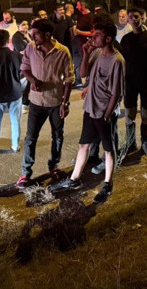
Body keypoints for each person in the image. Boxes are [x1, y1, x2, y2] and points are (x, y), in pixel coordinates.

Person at [50, 19, 123, 205]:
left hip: (103, 111)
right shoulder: (97, 52)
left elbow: (116, 92)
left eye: (97, 35)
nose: (93, 37)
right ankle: (74, 179)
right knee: (84, 144)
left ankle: (107, 183)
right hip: (90, 108)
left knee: (108, 149)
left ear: (107, 38)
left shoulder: (117, 60)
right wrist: (85, 53)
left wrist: (107, 115)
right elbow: (83, 73)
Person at [16, 19, 75, 189]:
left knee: (57, 136)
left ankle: (54, 166)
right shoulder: (30, 48)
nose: (32, 37)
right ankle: (26, 173)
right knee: (30, 138)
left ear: (47, 35)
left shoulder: (62, 52)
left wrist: (65, 102)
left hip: (56, 102)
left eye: (35, 34)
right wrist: (32, 80)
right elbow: (24, 68)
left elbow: (70, 78)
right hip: (35, 102)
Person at [120, 8, 147, 157]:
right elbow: (121, 61)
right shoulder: (126, 40)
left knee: (146, 114)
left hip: (146, 83)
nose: (133, 19)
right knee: (129, 115)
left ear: (142, 18)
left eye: (136, 16)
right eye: (130, 17)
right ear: (128, 20)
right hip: (130, 84)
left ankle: (145, 141)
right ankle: (131, 143)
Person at [0, 29, 24, 154]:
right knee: (15, 121)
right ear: (9, 40)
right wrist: (18, 79)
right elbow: (23, 71)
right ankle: (15, 145)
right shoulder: (17, 55)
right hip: (15, 91)